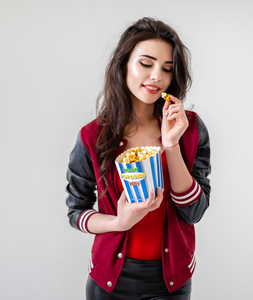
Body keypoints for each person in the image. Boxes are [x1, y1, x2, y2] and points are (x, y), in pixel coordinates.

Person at [66, 17, 211, 300]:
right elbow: (76, 211)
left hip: (171, 281)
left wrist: (171, 145)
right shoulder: (92, 136)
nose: (157, 76)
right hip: (109, 280)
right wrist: (118, 223)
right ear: (124, 65)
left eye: (167, 69)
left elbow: (194, 212)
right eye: (146, 64)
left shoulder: (190, 128)